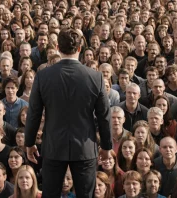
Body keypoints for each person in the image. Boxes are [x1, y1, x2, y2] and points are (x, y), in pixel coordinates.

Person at [25, 28, 112, 197]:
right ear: (79, 49)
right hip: (85, 148)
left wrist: (29, 142)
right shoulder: (95, 77)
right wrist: (107, 146)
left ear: (58, 47)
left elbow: (34, 113)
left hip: (53, 146)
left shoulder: (43, 76)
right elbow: (104, 116)